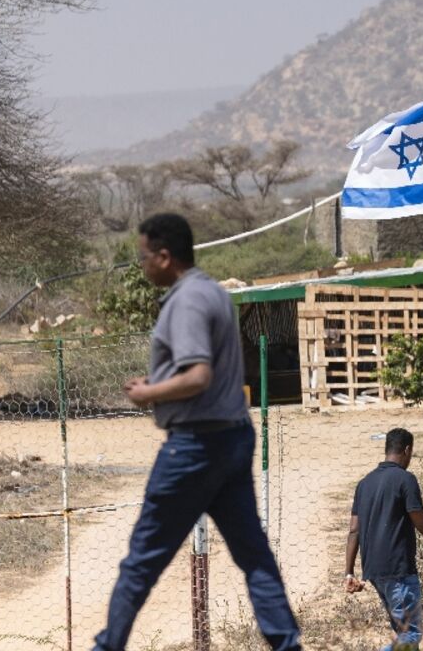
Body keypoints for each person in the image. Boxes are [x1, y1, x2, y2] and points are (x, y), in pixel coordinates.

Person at [94, 213, 301, 651]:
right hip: (233, 438)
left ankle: (107, 646)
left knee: (141, 562)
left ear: (165, 257)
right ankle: (287, 643)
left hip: (194, 446)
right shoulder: (214, 293)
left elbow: (197, 375)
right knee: (253, 555)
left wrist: (147, 392)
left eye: (144, 256)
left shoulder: (186, 301)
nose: (142, 264)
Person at [346, 428, 423, 651]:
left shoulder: (364, 483)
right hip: (399, 571)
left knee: (403, 634)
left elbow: (354, 531)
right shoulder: (405, 480)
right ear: (407, 450)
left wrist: (349, 572)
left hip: (374, 571)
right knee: (410, 636)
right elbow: (421, 524)